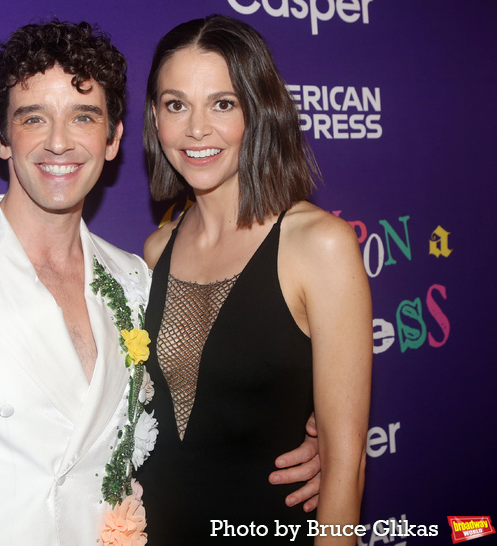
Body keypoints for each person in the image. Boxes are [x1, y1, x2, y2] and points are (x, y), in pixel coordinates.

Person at [0, 19, 322, 546]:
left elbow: (182, 412)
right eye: (34, 119)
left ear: (114, 138)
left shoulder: (133, 278)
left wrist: (306, 438)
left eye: (83, 117)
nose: (59, 143)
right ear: (2, 138)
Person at [137, 15, 373, 544]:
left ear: (258, 111)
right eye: (176, 105)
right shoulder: (155, 253)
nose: (197, 129)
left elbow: (344, 464)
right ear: (155, 117)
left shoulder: (319, 245)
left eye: (223, 103)